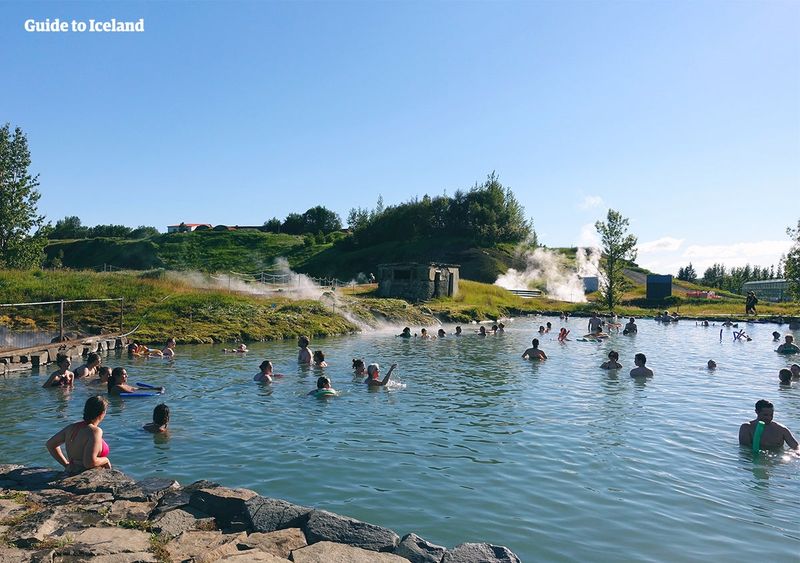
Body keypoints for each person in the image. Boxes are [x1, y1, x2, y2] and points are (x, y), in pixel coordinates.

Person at [46, 395, 111, 474]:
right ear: (102, 413)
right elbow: (89, 463)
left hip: (71, 471)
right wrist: (105, 460)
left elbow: (50, 444)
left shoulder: (71, 428)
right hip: (86, 475)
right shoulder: (95, 431)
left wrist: (66, 465)